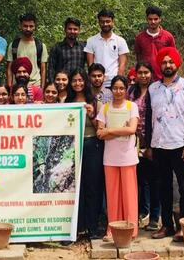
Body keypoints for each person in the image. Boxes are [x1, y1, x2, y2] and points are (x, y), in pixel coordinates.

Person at [145, 47, 184, 241]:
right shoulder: (153, 88)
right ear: (160, 65)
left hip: (180, 145)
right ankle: (166, 225)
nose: (168, 65)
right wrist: (149, 145)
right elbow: (149, 118)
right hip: (159, 145)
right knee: (163, 187)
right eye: (164, 62)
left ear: (177, 63)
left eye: (171, 62)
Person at [96, 76, 140, 240]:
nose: (118, 91)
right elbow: (100, 133)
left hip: (128, 157)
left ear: (126, 89)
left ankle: (131, 230)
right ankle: (112, 229)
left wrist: (109, 130)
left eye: (122, 88)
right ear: (111, 89)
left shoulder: (131, 106)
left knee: (129, 195)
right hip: (110, 158)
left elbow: (132, 130)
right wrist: (118, 130)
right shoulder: (105, 108)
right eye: (115, 88)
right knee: (113, 195)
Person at [66, 68, 104, 239]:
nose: (77, 83)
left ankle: (93, 227)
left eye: (80, 80)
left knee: (92, 187)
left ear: (85, 82)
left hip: (92, 146)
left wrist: (92, 114)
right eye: (74, 80)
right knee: (74, 188)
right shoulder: (66, 101)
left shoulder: (95, 102)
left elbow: (100, 130)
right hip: (72, 148)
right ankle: (77, 227)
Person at [127, 62, 160, 231]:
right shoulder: (130, 92)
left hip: (152, 142)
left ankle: (155, 217)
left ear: (151, 73)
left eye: (146, 72)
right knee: (139, 181)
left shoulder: (156, 91)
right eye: (140, 72)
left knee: (154, 180)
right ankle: (140, 214)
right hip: (133, 143)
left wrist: (151, 146)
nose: (143, 76)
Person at [85, 9, 129, 86]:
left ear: (113, 22)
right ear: (99, 23)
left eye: (108, 21)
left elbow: (122, 64)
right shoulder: (91, 41)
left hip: (114, 81)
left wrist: (118, 81)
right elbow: (90, 64)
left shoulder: (120, 41)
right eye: (102, 21)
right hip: (97, 81)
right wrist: (94, 80)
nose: (105, 24)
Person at [6, 13, 49, 87]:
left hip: (35, 85)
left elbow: (43, 69)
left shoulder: (41, 46)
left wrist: (42, 88)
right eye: (25, 26)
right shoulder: (13, 45)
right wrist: (10, 86)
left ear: (35, 27)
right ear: (20, 26)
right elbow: (9, 68)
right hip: (17, 86)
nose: (28, 29)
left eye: (31, 26)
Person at [134, 6, 176, 80]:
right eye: (150, 19)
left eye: (155, 19)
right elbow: (138, 58)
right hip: (146, 79)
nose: (153, 22)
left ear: (160, 19)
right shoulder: (140, 38)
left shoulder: (168, 36)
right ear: (146, 19)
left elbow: (173, 58)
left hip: (164, 78)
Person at [48, 17, 86, 83]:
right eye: (70, 29)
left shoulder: (83, 47)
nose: (72, 31)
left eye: (75, 29)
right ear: (65, 30)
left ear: (79, 30)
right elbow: (51, 69)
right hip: (62, 84)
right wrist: (52, 84)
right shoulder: (57, 47)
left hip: (78, 84)